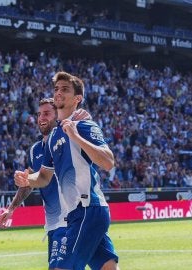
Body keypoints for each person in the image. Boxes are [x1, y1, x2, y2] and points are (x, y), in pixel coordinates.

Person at [15, 71, 119, 270]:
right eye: (56, 89)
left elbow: (108, 161)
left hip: (89, 209)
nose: (58, 93)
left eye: (65, 89)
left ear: (77, 98)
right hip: (76, 214)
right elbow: (44, 177)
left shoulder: (84, 125)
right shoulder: (53, 136)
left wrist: (75, 135)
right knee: (108, 267)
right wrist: (28, 179)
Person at [0, 97, 91, 269]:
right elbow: (30, 183)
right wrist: (11, 208)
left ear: (57, 116)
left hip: (71, 220)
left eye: (47, 113)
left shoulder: (69, 138)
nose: (41, 118)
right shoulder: (35, 150)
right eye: (39, 114)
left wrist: (81, 120)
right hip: (53, 225)